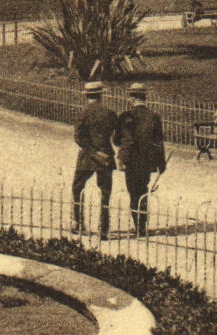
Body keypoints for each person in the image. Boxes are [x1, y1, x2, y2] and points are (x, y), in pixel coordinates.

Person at [114, 83, 166, 237]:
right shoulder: (154, 117)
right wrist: (161, 164)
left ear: (131, 98)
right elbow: (158, 142)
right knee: (143, 190)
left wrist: (122, 156)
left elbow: (117, 140)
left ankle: (138, 226)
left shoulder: (125, 117)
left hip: (131, 160)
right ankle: (142, 226)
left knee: (133, 192)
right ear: (145, 97)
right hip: (147, 161)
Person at [71, 81, 117, 239]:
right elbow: (116, 138)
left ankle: (78, 223)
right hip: (106, 155)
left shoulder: (83, 113)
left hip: (87, 157)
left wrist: (93, 152)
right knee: (105, 193)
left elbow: (78, 138)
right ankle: (104, 229)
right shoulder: (110, 113)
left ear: (87, 96)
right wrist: (102, 152)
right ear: (101, 95)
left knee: (77, 187)